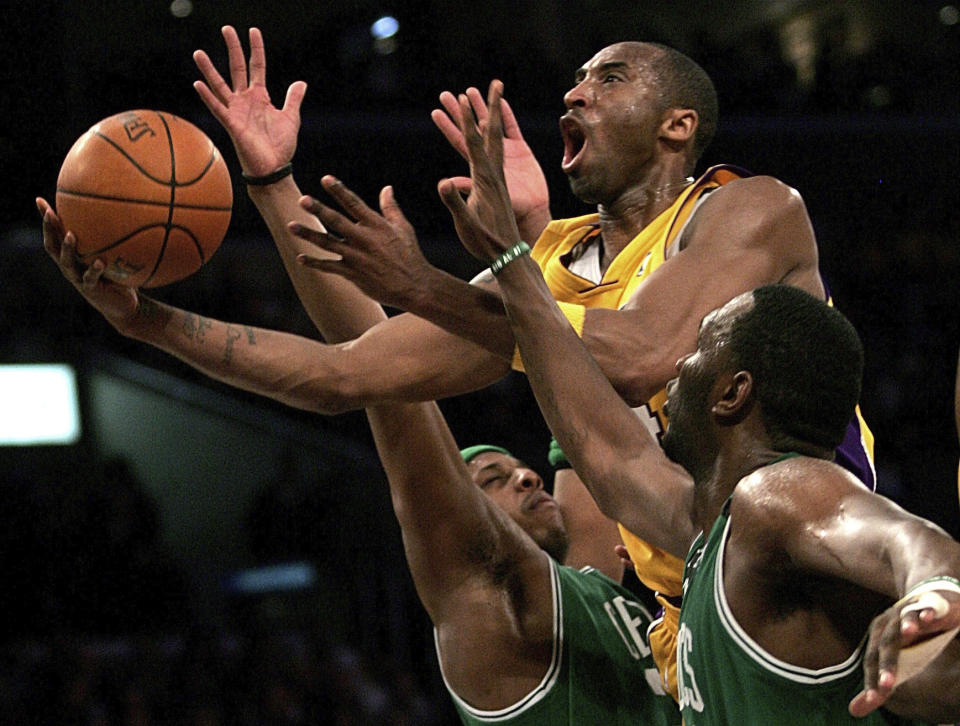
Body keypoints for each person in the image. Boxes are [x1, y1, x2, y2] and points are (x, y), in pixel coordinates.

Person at [429, 91, 960, 722]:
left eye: (701, 349)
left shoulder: (780, 494)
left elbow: (911, 539)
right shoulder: (702, 529)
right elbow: (607, 450)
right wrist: (514, 259)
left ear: (733, 393)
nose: (680, 363)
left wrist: (936, 591)